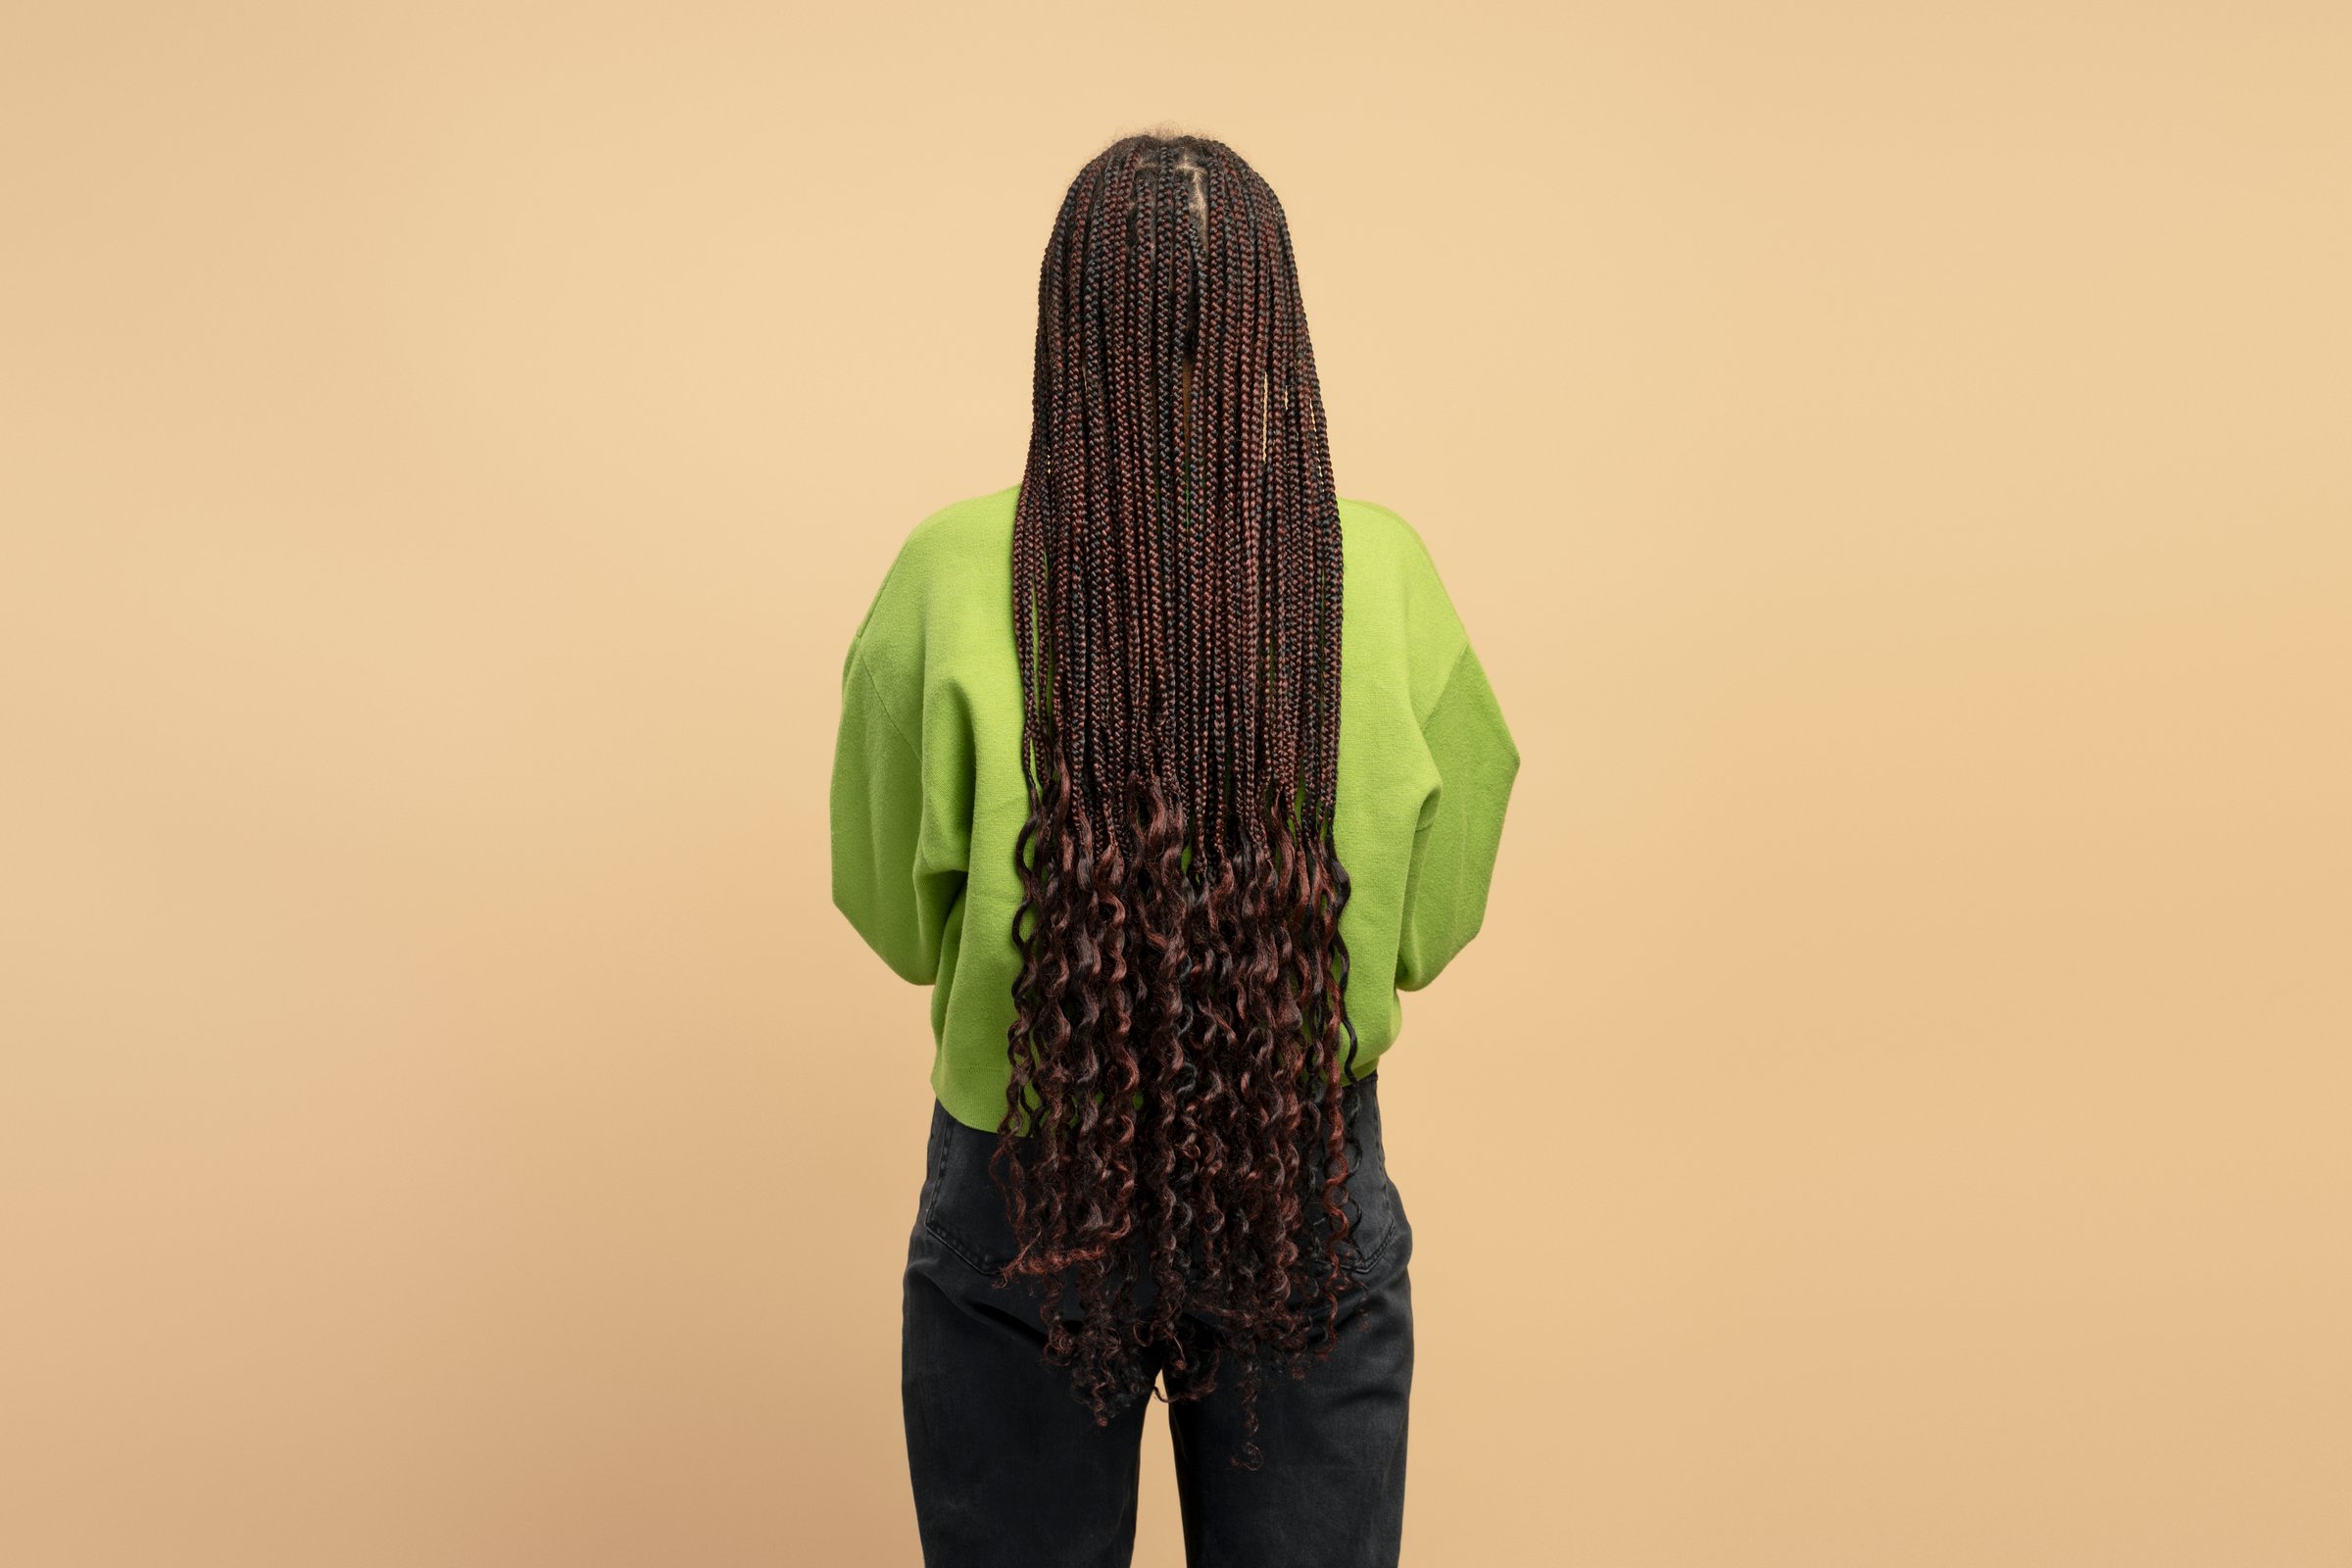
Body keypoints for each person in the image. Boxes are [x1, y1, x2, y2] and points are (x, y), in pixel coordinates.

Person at [829, 130, 1521, 1568]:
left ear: (1066, 318)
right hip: (1298, 1177)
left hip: (1028, 1186)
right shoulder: (1373, 569)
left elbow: (896, 916)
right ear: (1276, 323)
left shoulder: (952, 570)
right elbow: (1430, 920)